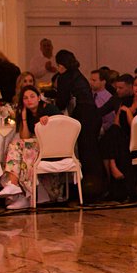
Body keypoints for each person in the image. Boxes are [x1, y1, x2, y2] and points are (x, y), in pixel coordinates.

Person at [52, 49, 103, 197]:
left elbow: (62, 103)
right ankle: (97, 186)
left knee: (86, 152)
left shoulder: (65, 77)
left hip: (83, 115)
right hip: (93, 114)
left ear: (61, 65)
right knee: (92, 151)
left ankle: (88, 189)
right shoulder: (78, 75)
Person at [0, 85, 53, 210]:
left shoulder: (48, 108)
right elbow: (25, 137)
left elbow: (61, 126)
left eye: (32, 96)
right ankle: (17, 188)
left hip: (51, 147)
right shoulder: (26, 113)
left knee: (21, 148)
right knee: (18, 146)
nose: (29, 100)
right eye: (25, 98)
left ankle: (22, 192)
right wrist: (23, 118)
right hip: (35, 147)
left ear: (39, 98)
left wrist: (50, 120)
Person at [100, 72, 137, 197]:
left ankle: (111, 178)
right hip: (120, 138)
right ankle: (113, 166)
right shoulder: (126, 101)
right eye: (135, 85)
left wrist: (128, 112)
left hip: (135, 142)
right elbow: (116, 123)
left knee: (106, 142)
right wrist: (124, 111)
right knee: (113, 132)